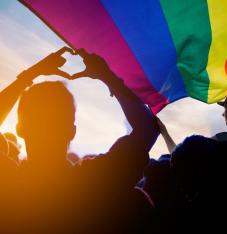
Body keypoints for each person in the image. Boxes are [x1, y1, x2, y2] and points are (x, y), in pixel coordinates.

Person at [0, 47, 159, 233]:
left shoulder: (7, 182)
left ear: (20, 128)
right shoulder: (92, 183)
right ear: (72, 131)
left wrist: (30, 74)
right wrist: (107, 76)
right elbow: (147, 129)